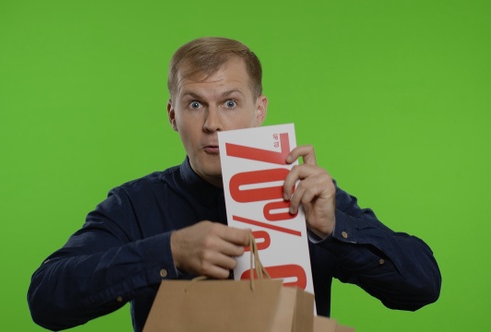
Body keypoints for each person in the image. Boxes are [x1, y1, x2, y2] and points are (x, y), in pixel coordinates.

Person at [28, 36, 441, 331]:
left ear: (258, 111)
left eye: (230, 103)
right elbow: (46, 299)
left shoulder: (310, 195)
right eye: (194, 104)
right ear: (172, 116)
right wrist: (167, 251)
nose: (213, 124)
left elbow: (422, 286)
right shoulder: (135, 204)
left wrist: (334, 231)